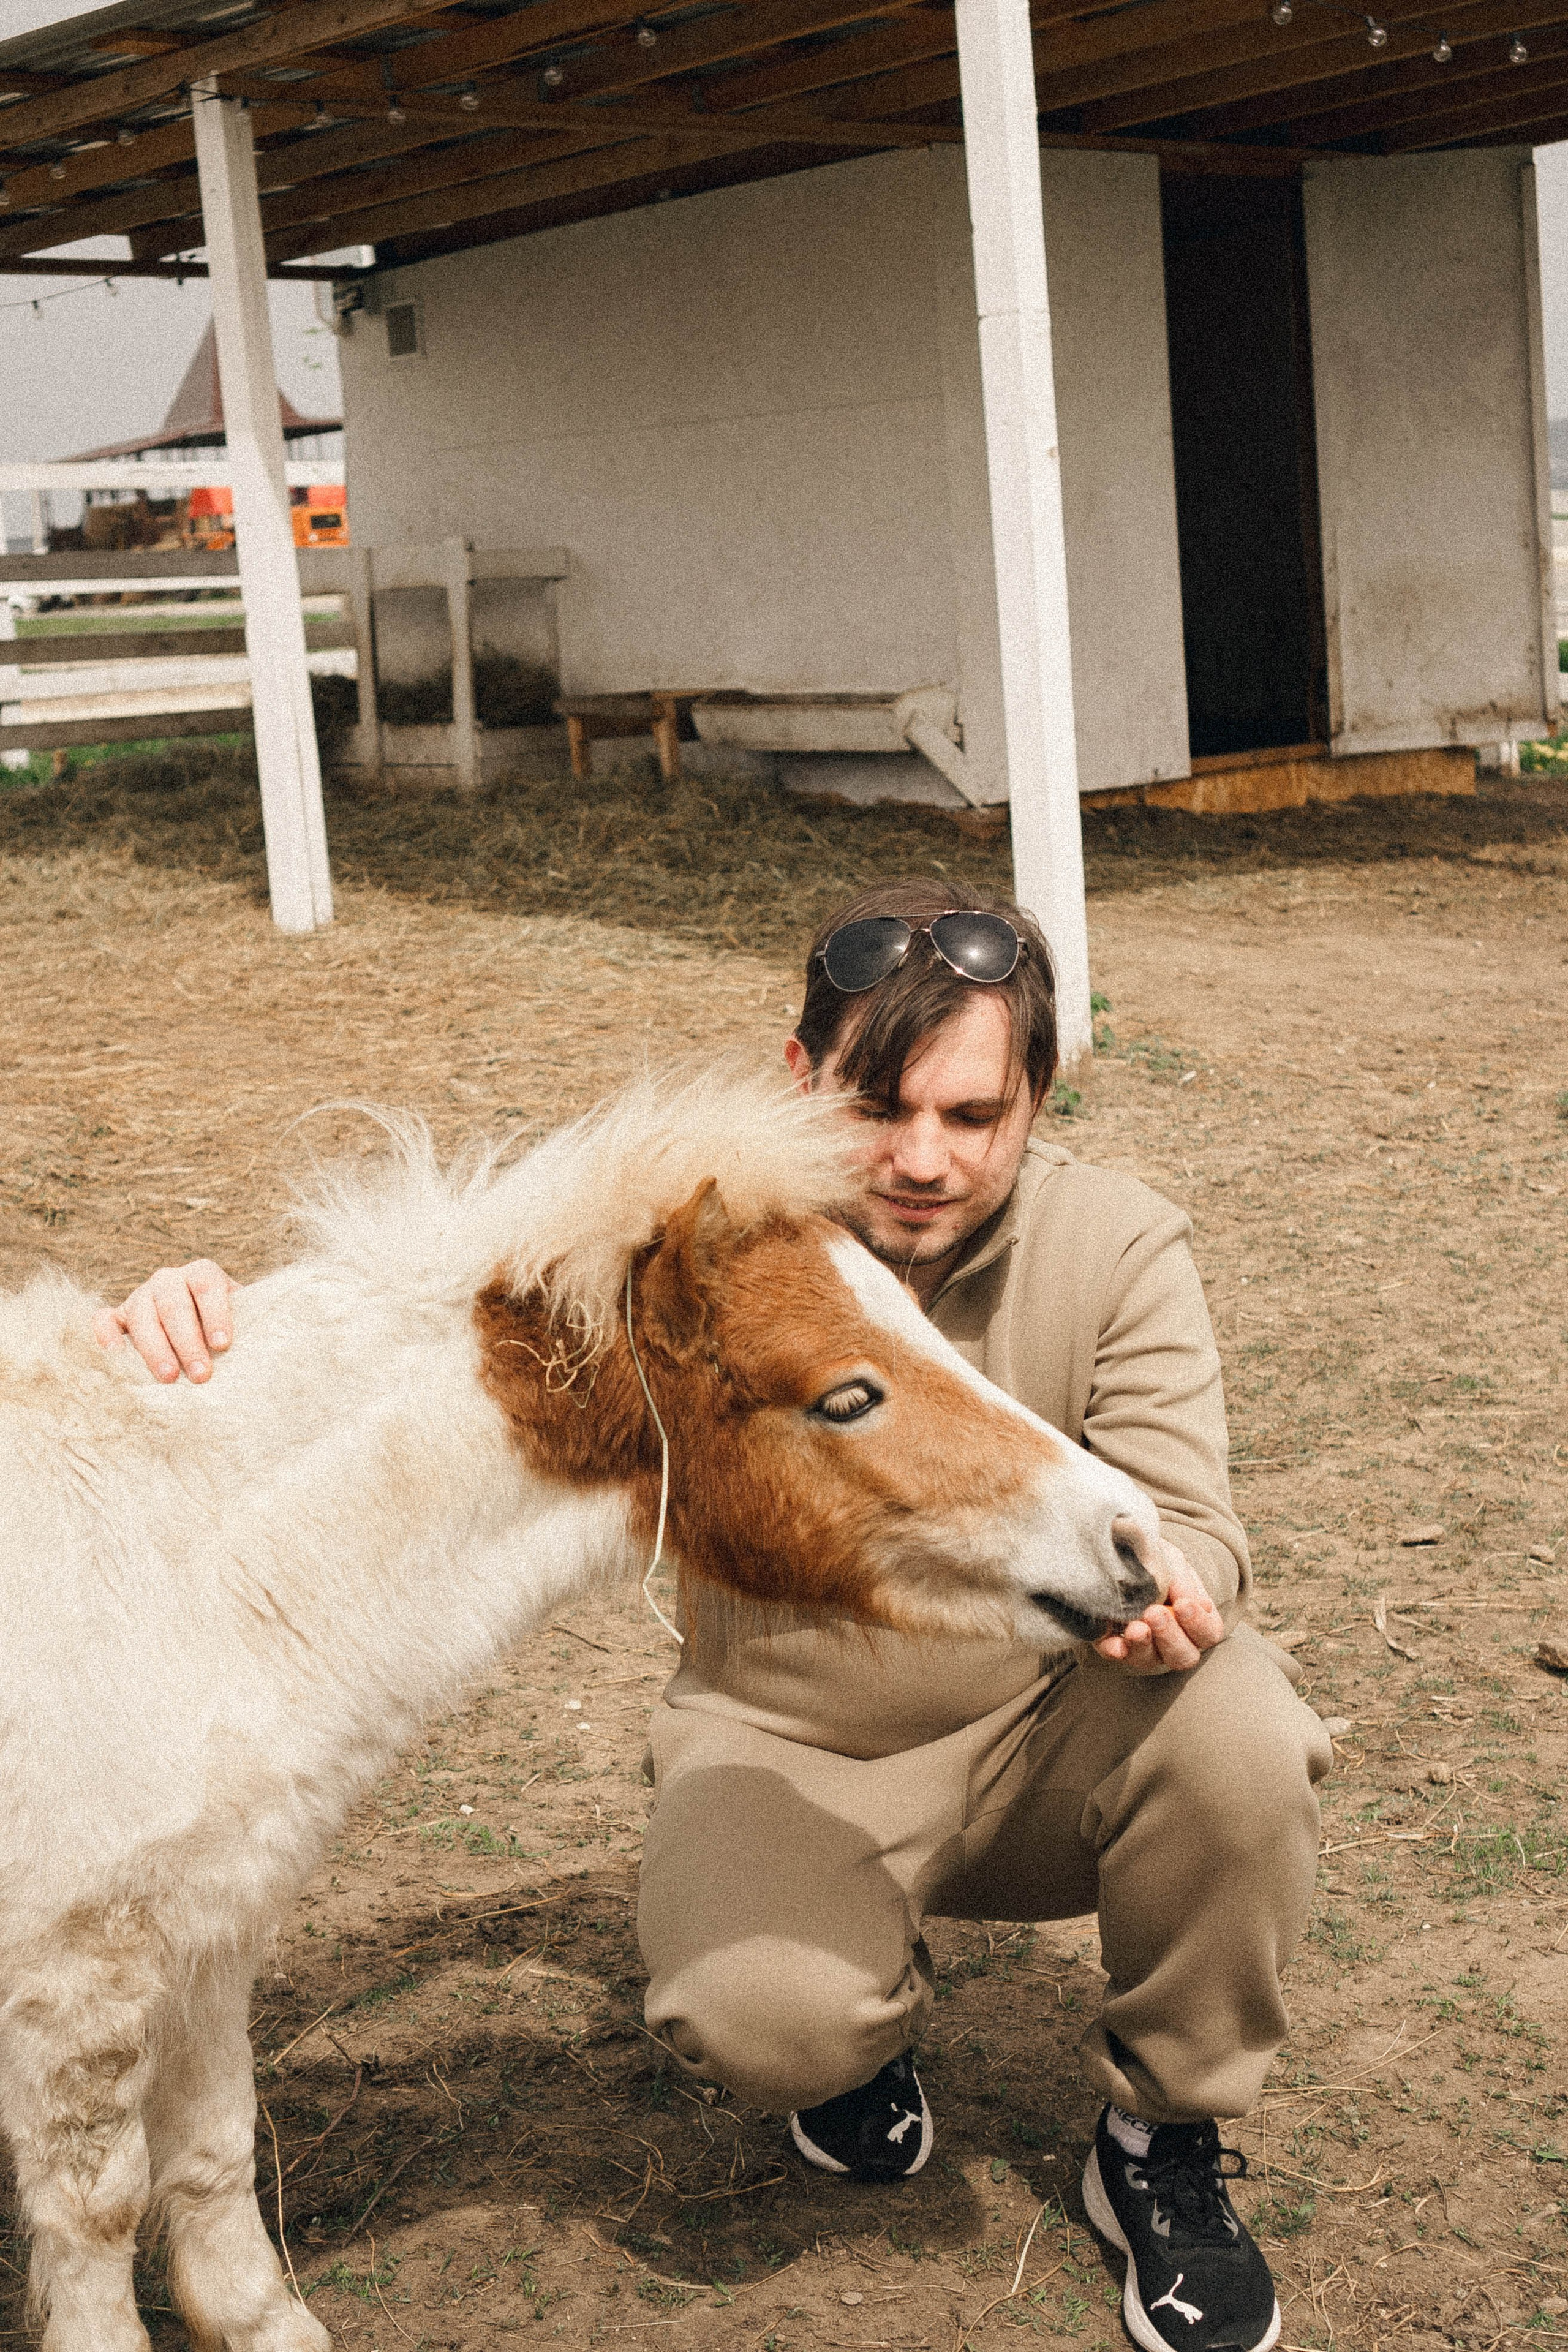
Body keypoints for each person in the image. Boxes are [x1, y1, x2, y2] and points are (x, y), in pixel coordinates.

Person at [98, 877, 1330, 2352]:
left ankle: (1160, 2147)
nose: (923, 1161)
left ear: (1035, 1099)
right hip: (789, 1748)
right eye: (881, 1107)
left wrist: (1176, 1589)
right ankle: (848, 2035)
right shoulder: (697, 1253)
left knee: (1242, 1725)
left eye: (972, 1115)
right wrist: (207, 1317)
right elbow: (431, 1309)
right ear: (800, 1080)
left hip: (1046, 1732)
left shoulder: (1115, 1245)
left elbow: (1192, 1525)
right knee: (761, 2019)